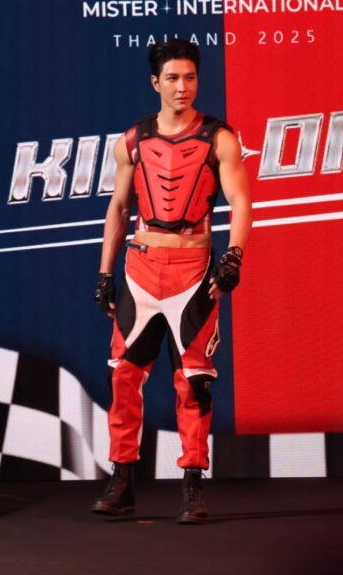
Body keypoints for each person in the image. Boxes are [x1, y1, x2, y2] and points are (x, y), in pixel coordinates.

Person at [91, 39, 252, 524]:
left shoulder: (219, 138)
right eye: (173, 78)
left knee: (193, 383)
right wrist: (105, 272)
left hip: (193, 273)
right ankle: (122, 482)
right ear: (155, 83)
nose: (183, 87)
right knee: (123, 376)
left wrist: (233, 257)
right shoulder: (132, 140)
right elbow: (119, 207)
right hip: (140, 271)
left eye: (190, 77)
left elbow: (240, 201)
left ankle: (193, 487)